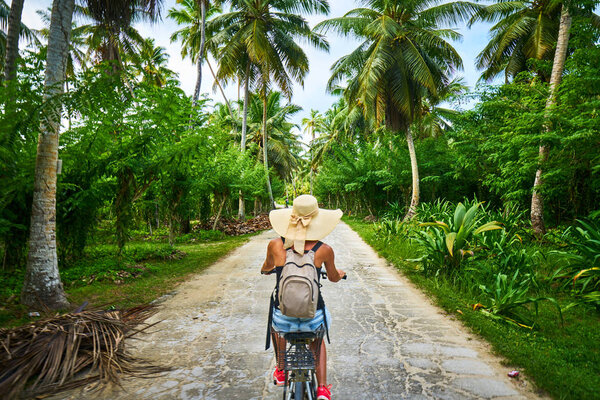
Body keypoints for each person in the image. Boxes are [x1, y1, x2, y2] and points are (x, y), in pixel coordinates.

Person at [261, 194, 345, 400]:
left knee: (276, 326)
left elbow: (266, 268)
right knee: (318, 339)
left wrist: (268, 268)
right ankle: (323, 388)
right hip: (312, 317)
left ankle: (281, 370)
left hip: (284, 317)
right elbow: (333, 277)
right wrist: (340, 274)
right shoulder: (324, 250)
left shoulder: (274, 245)